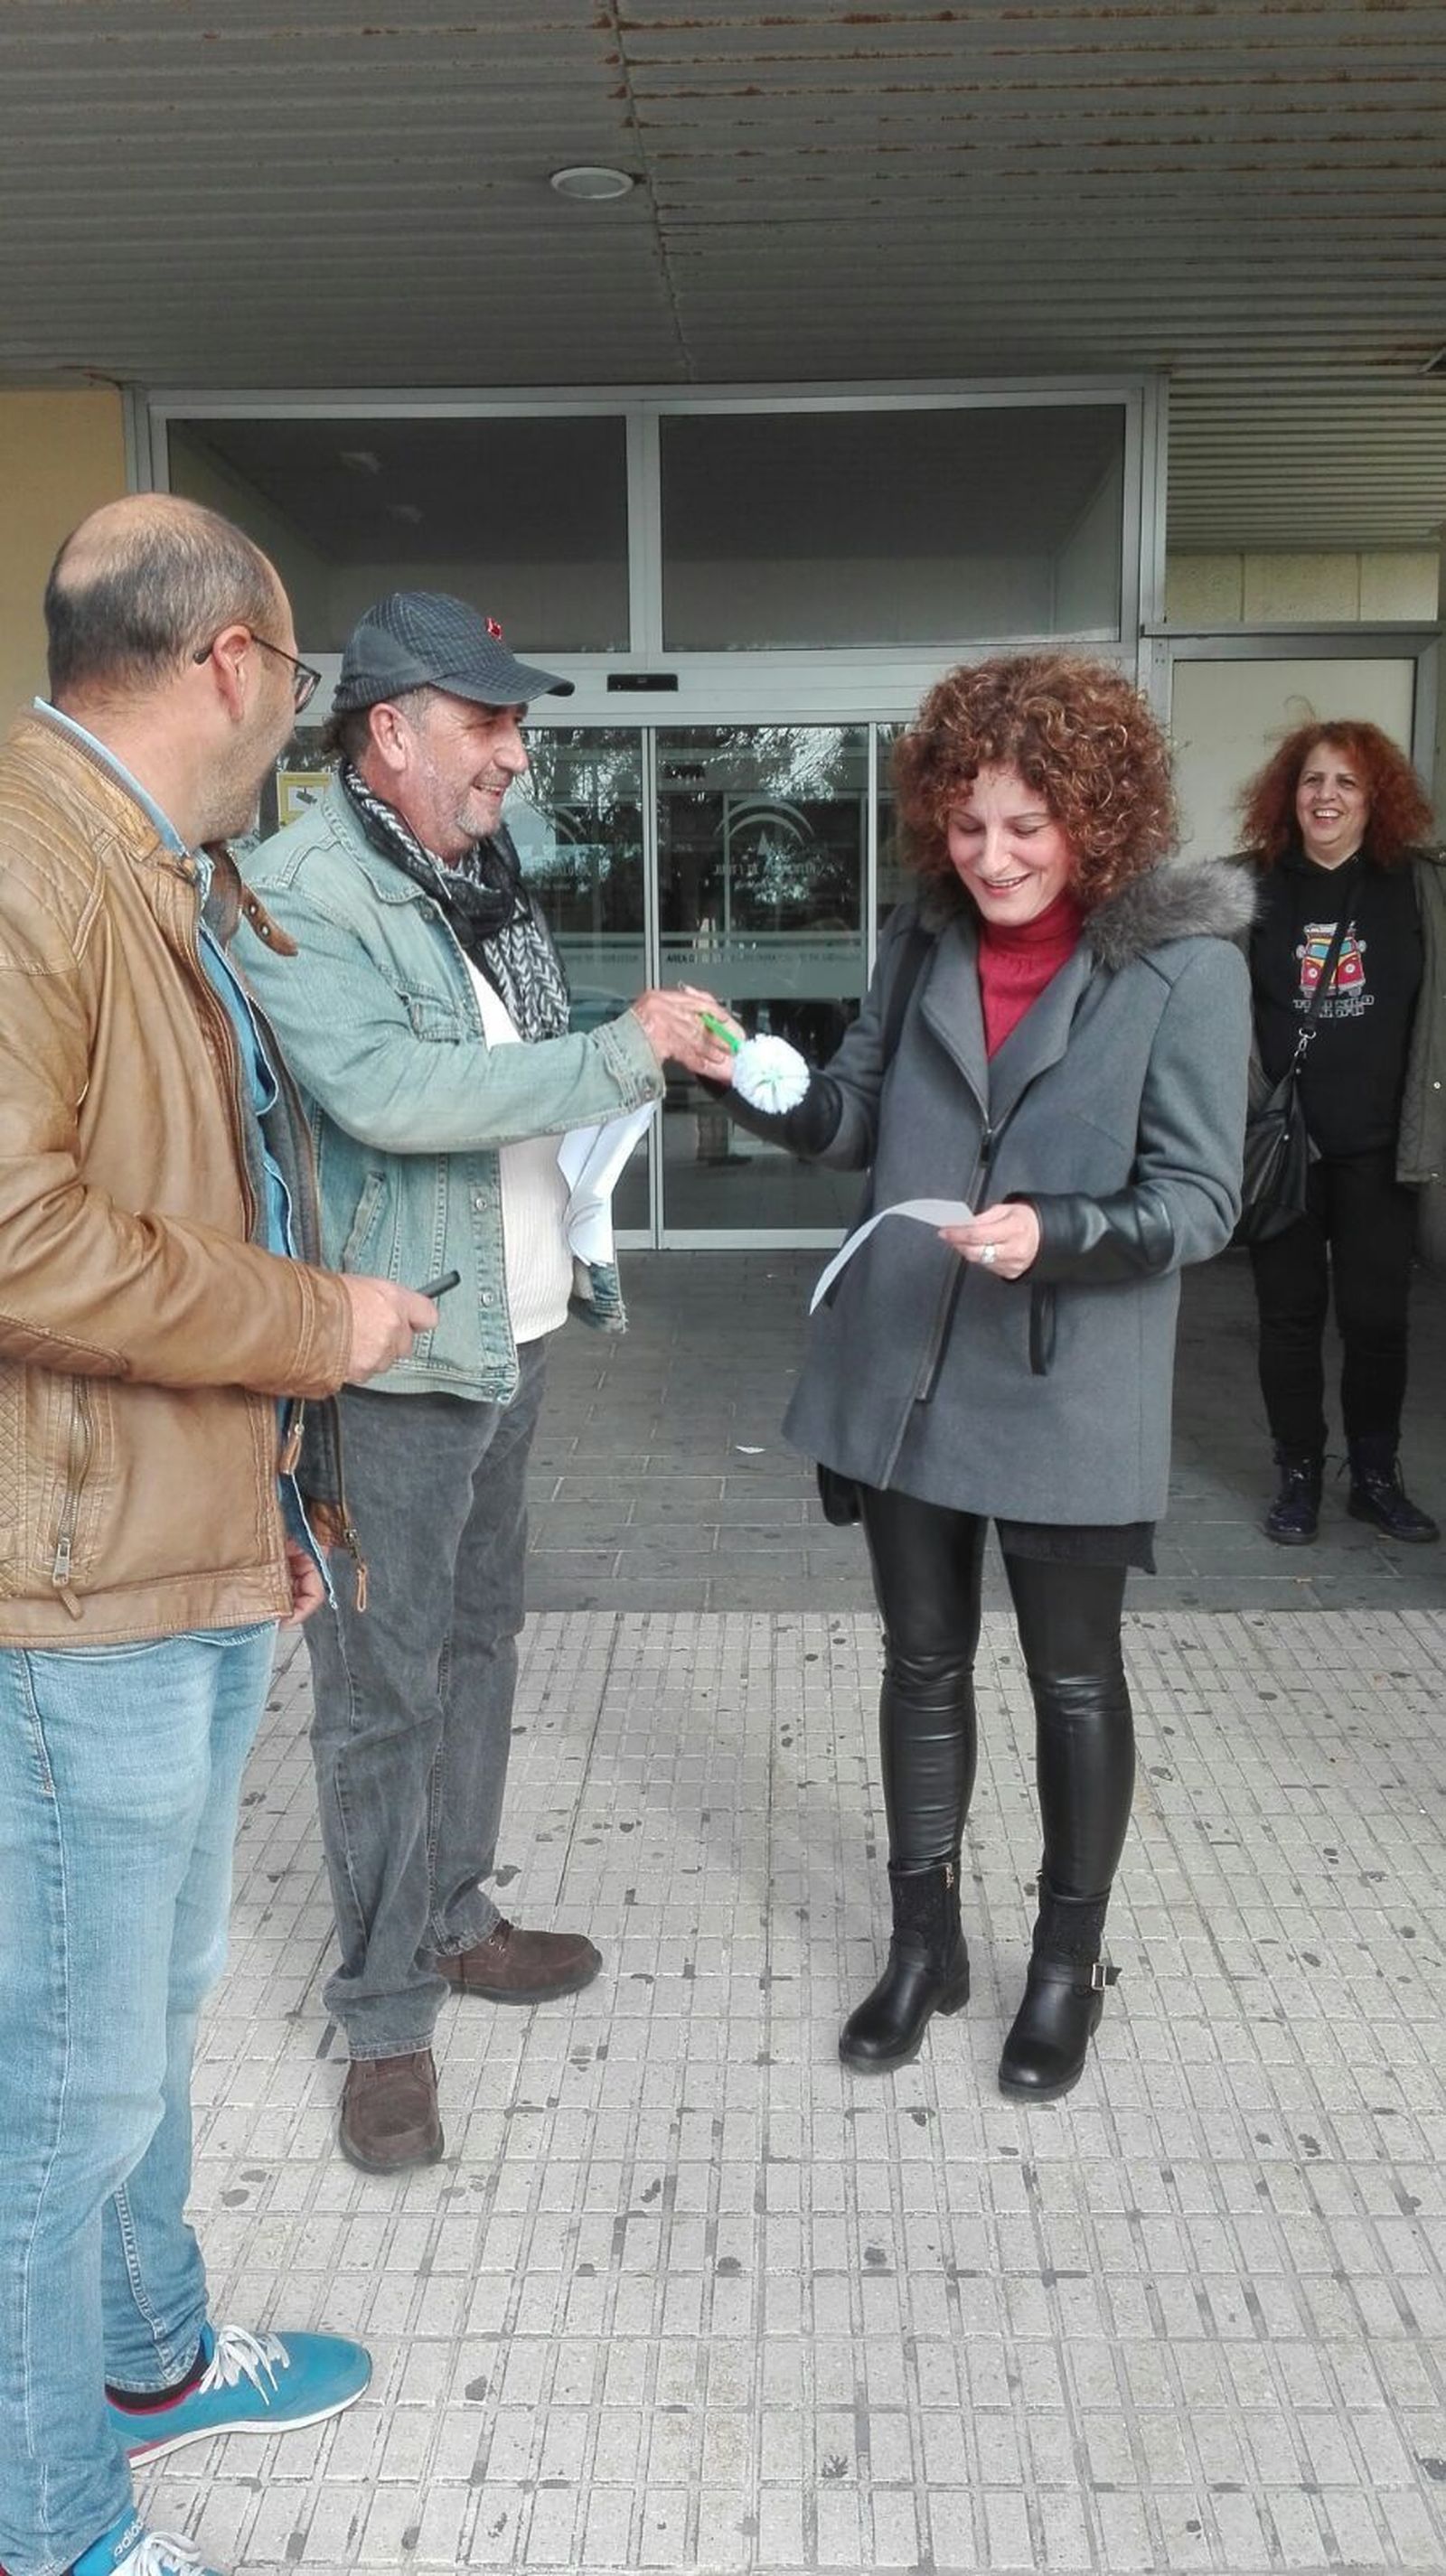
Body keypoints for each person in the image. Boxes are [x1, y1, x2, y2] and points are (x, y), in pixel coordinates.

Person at [0, 500, 437, 2576]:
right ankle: (53, 2523)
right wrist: (316, 1328)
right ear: (234, 665)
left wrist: (276, 1494)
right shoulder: (22, 855)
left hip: (169, 1555)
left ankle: (152, 2359)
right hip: (63, 1593)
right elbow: (17, 1235)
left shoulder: (143, 868)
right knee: (55, 2100)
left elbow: (215, 1178)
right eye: (300, 675)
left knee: (137, 2030)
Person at [242, 591, 738, 2176]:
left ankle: (453, 1916)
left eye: (517, 725)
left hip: (506, 1332)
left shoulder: (469, 877)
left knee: (476, 1635)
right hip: (395, 1355)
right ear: (390, 732)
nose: (515, 754)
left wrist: (638, 1050)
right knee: (381, 1689)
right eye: (489, 723)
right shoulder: (301, 883)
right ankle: (385, 2018)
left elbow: (506, 1061)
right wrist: (613, 1056)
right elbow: (391, 1092)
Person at [715, 652, 1252, 2099]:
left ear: (1097, 814)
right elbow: (862, 1117)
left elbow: (1200, 1198)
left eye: (1027, 825)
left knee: (1075, 1681)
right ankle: (923, 1942)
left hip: (1068, 1372)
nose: (995, 856)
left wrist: (1060, 1230)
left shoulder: (1187, 965)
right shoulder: (922, 936)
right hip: (910, 1367)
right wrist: (760, 1083)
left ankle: (1068, 1965)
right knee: (921, 1662)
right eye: (967, 824)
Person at [1236, 720, 1445, 1546]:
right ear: (1290, 796)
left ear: (1375, 799)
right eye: (1312, 781)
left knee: (1377, 1318)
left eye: (1346, 783)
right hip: (1284, 1147)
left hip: (1380, 1145)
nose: (1326, 796)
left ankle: (1375, 1474)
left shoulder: (1416, 888)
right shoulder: (1248, 888)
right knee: (1288, 1317)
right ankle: (1298, 1475)